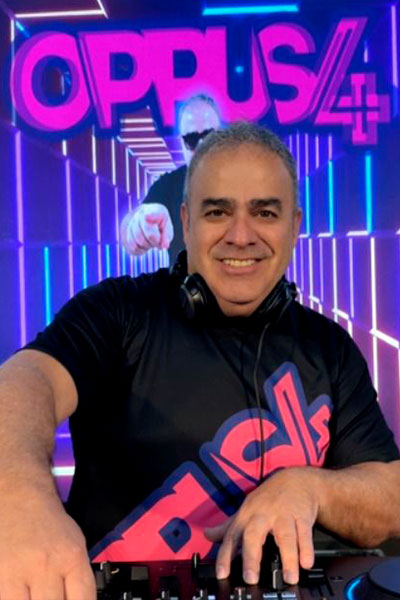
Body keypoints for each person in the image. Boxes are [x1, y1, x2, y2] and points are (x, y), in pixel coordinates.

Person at [0, 122, 399, 600]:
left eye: (264, 212)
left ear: (294, 226)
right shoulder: (118, 312)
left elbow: (390, 497)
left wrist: (310, 489)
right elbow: (27, 380)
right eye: (217, 212)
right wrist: (20, 498)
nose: (241, 235)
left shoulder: (329, 347)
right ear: (186, 222)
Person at [120, 93, 221, 263]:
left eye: (209, 137)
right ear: (182, 144)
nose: (201, 147)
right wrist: (136, 227)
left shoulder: (246, 180)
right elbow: (130, 226)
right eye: (191, 139)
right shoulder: (168, 185)